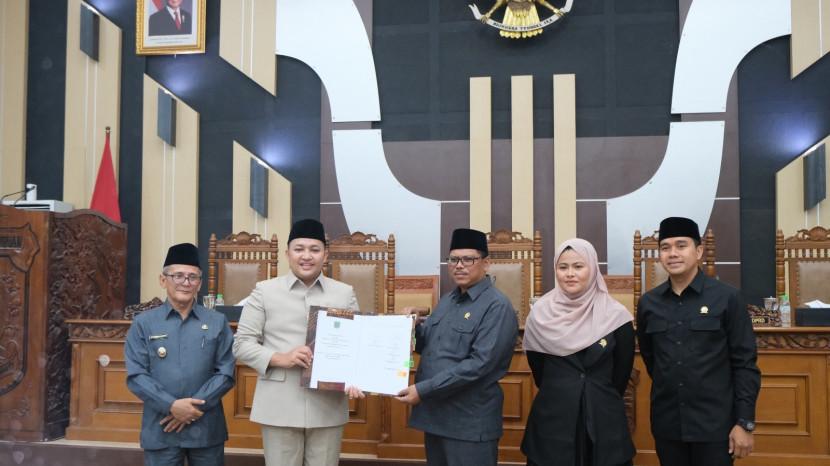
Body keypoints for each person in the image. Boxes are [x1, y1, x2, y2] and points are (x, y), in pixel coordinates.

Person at [233, 219, 364, 466]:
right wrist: (281, 358)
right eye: (299, 249)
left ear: (326, 255)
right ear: (287, 254)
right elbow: (241, 344)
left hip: (327, 406)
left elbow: (356, 346)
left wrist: (357, 376)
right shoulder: (264, 291)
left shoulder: (344, 293)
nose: (306, 256)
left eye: (314, 249)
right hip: (279, 405)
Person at [636, 217, 760, 466]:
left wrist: (744, 422)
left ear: (699, 251)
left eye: (681, 245)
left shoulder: (727, 298)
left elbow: (745, 364)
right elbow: (653, 361)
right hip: (668, 424)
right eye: (665, 247)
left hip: (715, 426)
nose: (673, 253)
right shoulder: (649, 303)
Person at [396, 228, 519, 466]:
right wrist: (409, 328)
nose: (459, 266)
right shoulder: (447, 300)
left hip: (469, 422)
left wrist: (424, 390)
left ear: (486, 263)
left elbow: (480, 365)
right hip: (436, 417)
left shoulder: (497, 306)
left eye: (468, 259)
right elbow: (427, 344)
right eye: (453, 259)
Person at [521, 238, 635, 466]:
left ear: (592, 268)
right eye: (563, 267)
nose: (570, 274)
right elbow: (539, 371)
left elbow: (621, 375)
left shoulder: (616, 316)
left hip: (604, 418)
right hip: (553, 418)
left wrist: (595, 393)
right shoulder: (540, 315)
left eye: (578, 266)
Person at [125, 243, 235, 466]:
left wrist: (192, 409)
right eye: (178, 276)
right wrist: (171, 406)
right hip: (162, 428)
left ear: (200, 283)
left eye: (192, 277)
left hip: (205, 429)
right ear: (162, 280)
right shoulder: (144, 323)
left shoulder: (217, 322)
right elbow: (136, 375)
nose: (186, 282)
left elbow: (226, 372)